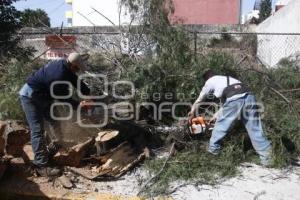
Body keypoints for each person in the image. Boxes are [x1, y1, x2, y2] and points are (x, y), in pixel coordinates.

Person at [19, 53, 91, 176]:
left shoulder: (65, 64)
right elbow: (63, 98)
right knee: (37, 129)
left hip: (44, 95)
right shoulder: (58, 75)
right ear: (73, 65)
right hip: (30, 96)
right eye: (78, 68)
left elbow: (74, 79)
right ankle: (41, 165)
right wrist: (79, 105)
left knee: (55, 122)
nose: (78, 71)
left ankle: (56, 146)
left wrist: (88, 93)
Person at [188, 69, 272, 166]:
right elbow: (227, 104)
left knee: (220, 127)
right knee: (255, 130)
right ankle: (268, 159)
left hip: (235, 99)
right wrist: (215, 116)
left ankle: (213, 153)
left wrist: (192, 110)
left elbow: (200, 98)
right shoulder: (227, 80)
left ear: (207, 78)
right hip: (249, 96)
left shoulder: (210, 81)